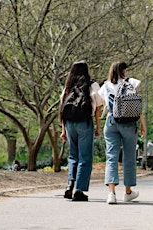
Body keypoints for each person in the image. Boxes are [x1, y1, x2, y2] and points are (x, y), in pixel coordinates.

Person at [98, 61, 146, 204]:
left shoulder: (105, 86)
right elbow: (137, 106)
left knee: (111, 157)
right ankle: (128, 192)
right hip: (129, 124)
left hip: (111, 122)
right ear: (124, 70)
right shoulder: (131, 83)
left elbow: (105, 105)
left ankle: (111, 194)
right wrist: (143, 125)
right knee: (129, 157)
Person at [59, 60, 103, 202]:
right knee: (85, 157)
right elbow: (97, 107)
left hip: (70, 124)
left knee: (73, 156)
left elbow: (61, 109)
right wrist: (97, 127)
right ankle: (79, 190)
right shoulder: (92, 85)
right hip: (85, 123)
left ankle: (69, 185)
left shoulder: (68, 87)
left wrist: (63, 130)